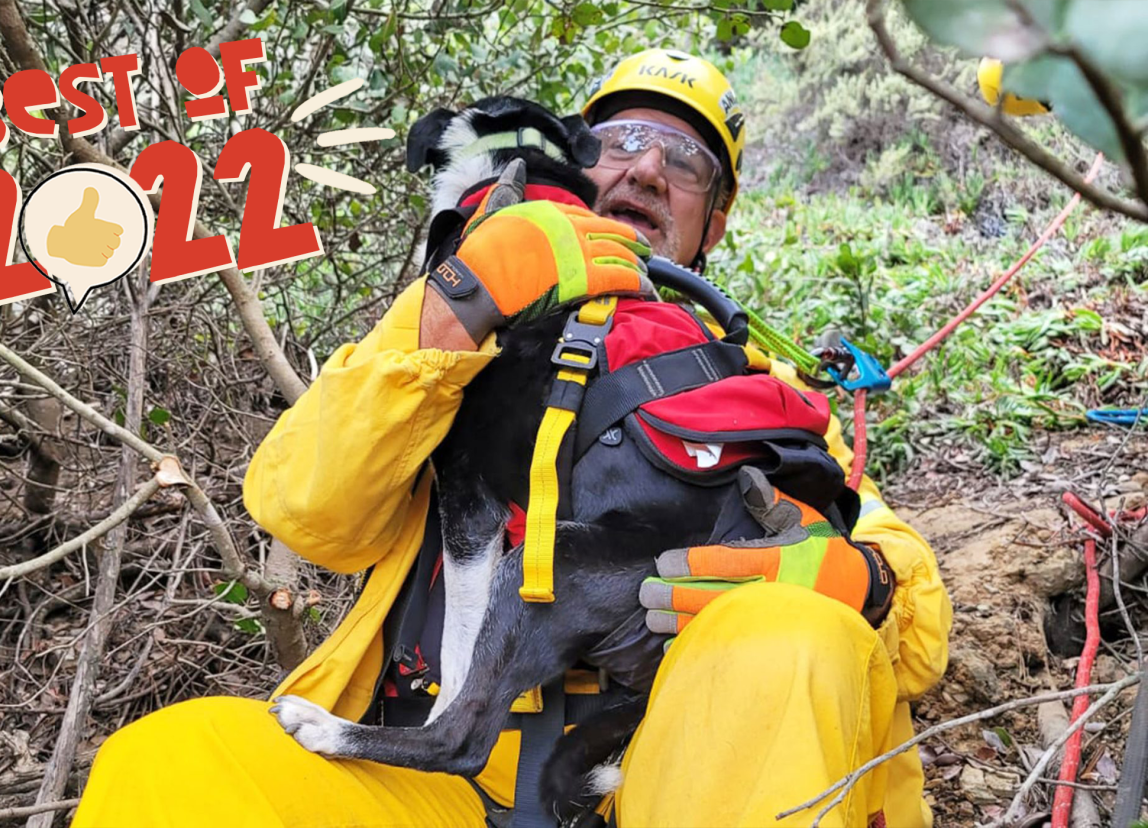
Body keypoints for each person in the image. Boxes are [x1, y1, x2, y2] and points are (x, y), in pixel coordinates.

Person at [73, 49, 952, 828]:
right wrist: (464, 296)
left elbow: (914, 629)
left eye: (684, 160)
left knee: (793, 638)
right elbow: (304, 510)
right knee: (168, 767)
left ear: (713, 222)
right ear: (573, 163)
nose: (646, 168)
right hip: (427, 777)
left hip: (683, 772)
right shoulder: (464, 320)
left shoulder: (759, 392)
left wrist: (866, 578)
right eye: (621, 140)